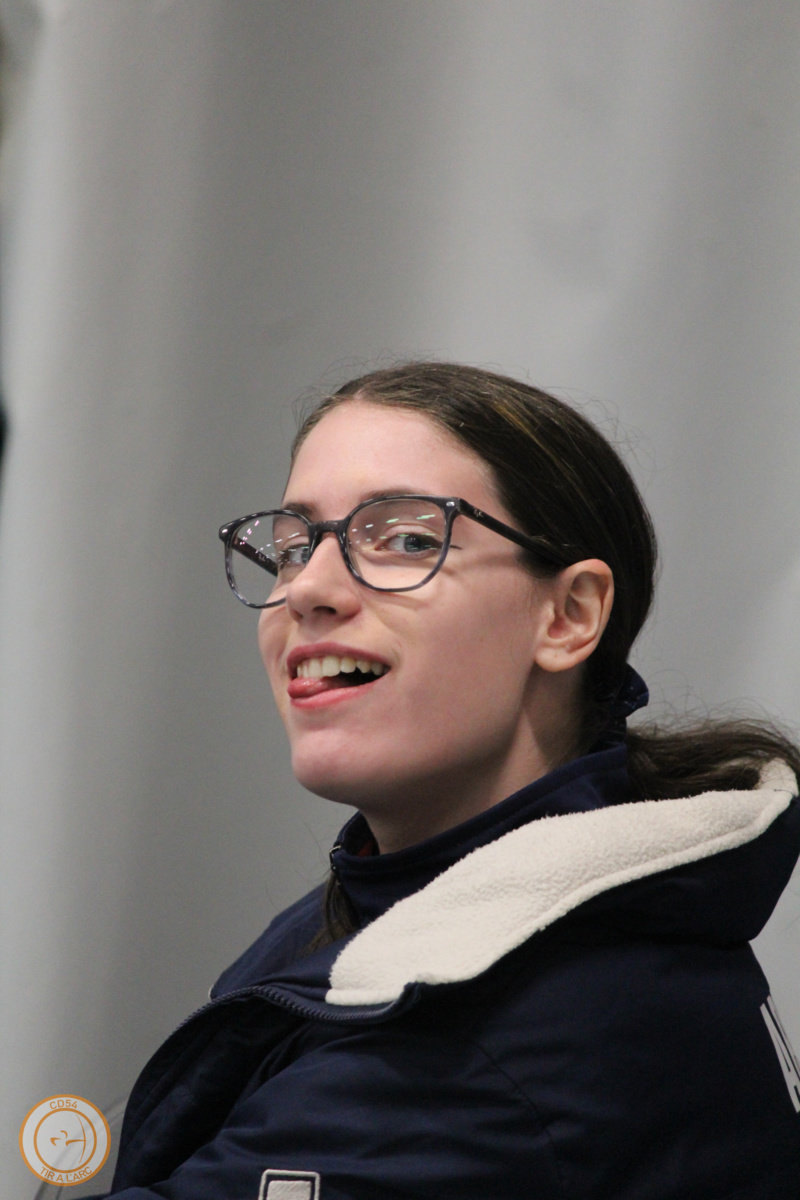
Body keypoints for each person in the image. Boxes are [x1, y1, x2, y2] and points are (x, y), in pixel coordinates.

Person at [102, 363, 800, 1199]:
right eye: (292, 548)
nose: (308, 590)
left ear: (569, 615)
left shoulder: (506, 1044)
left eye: (405, 539)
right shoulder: (420, 913)